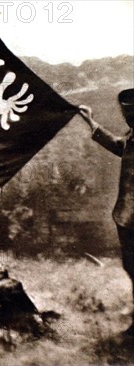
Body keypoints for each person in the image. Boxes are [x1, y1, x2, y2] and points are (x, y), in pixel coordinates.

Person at [79, 88, 134, 336]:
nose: (127, 118)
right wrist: (90, 121)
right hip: (126, 216)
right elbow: (117, 144)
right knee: (132, 267)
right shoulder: (132, 138)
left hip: (129, 217)